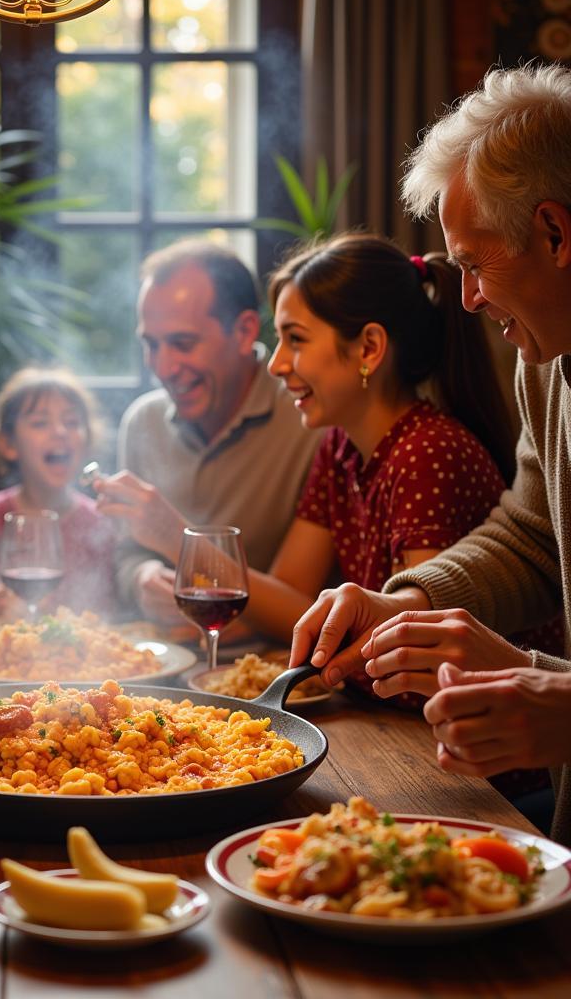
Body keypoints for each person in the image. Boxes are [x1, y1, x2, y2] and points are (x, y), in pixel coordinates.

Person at [287, 64, 571, 843]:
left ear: (555, 233)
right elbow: (532, 536)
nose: (469, 299)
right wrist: (406, 602)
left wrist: (559, 703)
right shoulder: (546, 360)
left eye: (476, 265)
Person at [231, 231, 524, 681]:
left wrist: (184, 544)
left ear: (369, 348)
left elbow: (420, 653)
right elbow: (293, 599)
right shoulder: (341, 447)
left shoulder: (428, 453)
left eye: (296, 339)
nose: (275, 364)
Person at [93, 238, 320, 626]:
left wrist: (175, 538)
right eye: (151, 344)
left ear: (245, 330)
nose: (163, 367)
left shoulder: (310, 420)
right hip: (168, 663)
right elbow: (126, 553)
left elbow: (307, 606)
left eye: (183, 343)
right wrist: (142, 578)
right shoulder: (142, 422)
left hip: (268, 668)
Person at [0, 367, 117, 619]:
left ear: (87, 440)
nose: (60, 432)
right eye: (40, 423)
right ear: (8, 444)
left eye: (72, 422)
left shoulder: (97, 520)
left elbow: (110, 608)